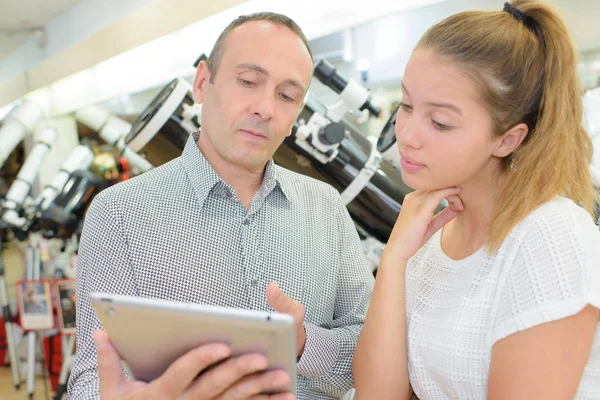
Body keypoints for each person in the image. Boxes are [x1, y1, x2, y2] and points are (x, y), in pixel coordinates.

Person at [67, 11, 374, 400]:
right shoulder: (118, 212)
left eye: (287, 95)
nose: (265, 107)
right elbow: (92, 377)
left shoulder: (326, 207)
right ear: (201, 82)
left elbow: (370, 354)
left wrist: (302, 344)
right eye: (248, 81)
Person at [353, 1, 600, 399]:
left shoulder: (550, 238)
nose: (408, 134)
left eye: (440, 122)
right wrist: (396, 257)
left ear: (508, 139)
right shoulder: (430, 242)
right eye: (407, 106)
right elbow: (377, 394)